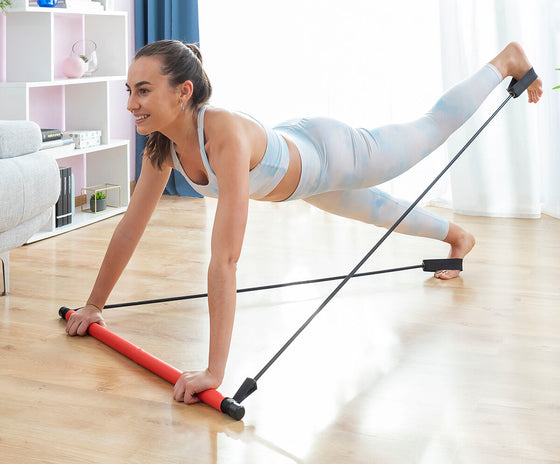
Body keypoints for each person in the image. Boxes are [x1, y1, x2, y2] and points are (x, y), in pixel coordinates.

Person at [65, 40, 543, 404]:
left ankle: (506, 61)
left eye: (143, 91)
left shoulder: (224, 133)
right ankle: (457, 236)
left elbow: (225, 259)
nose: (131, 104)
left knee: (429, 130)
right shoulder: (161, 147)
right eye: (129, 90)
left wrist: (214, 372)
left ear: (183, 91)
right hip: (301, 175)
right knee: (379, 211)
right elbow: (130, 227)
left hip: (331, 155)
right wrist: (93, 305)